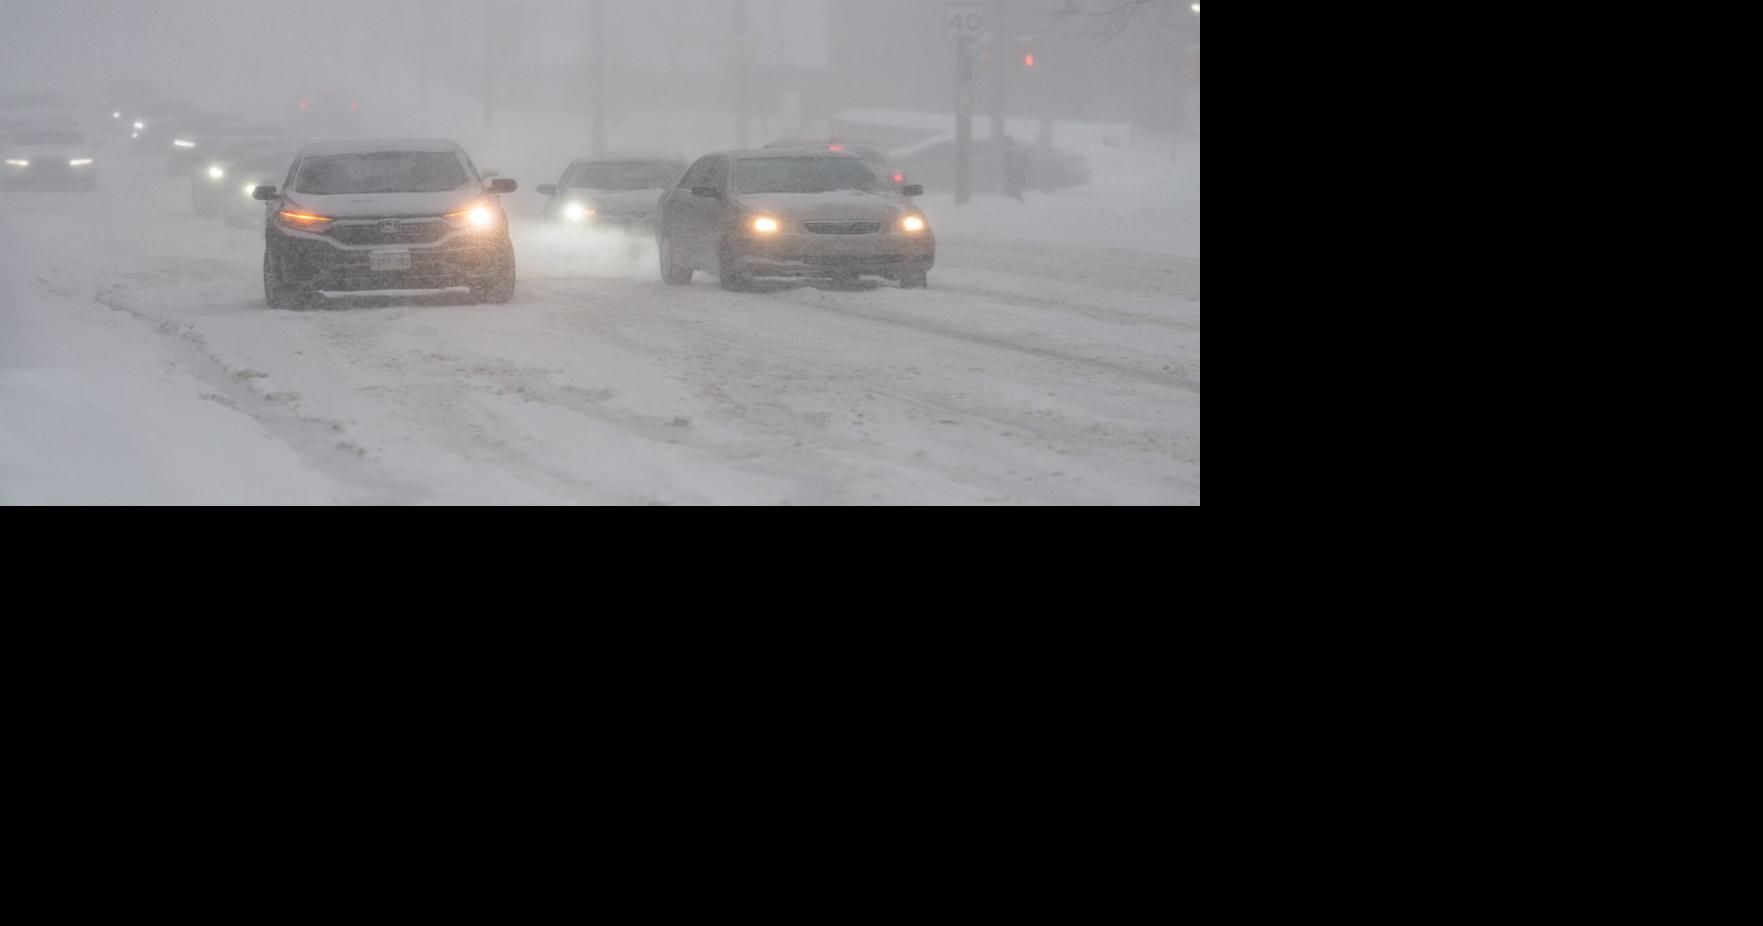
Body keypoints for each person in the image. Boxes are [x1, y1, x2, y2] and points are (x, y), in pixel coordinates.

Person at [1002, 136, 1031, 203]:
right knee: (1015, 189)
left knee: (1014, 189)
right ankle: (1018, 199)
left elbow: (1014, 165)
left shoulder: (1011, 152)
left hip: (1014, 174)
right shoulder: (1014, 152)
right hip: (1016, 174)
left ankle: (1018, 200)